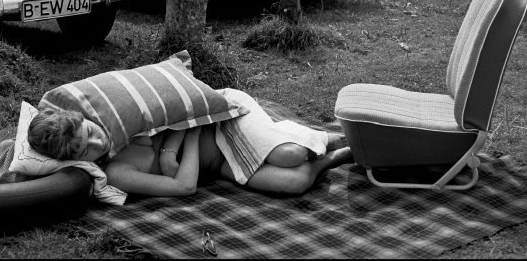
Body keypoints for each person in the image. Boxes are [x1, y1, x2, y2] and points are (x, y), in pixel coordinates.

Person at [28, 90, 353, 197]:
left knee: (290, 154)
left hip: (223, 115)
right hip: (219, 162)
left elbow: (178, 108)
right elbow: (185, 187)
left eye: (89, 129)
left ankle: (346, 135)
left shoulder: (118, 119)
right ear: (78, 160)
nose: (98, 137)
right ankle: (340, 156)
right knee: (294, 181)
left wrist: (175, 146)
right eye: (88, 147)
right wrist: (191, 136)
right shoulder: (118, 170)